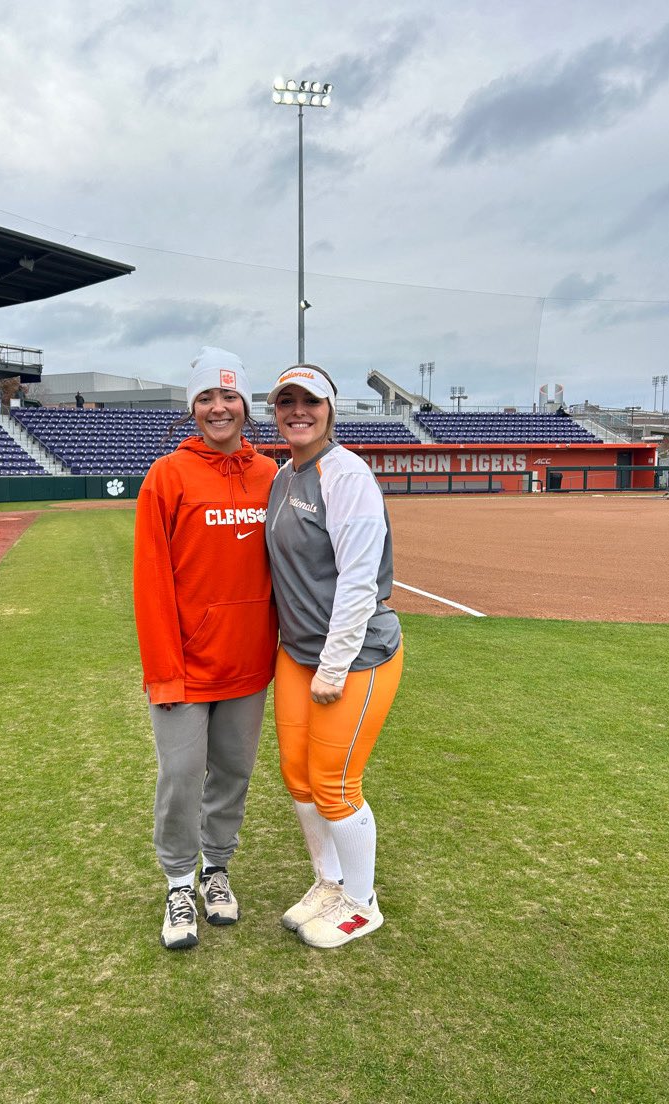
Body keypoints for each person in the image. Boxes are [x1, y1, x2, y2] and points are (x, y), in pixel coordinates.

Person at [133, 347, 278, 950]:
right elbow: (151, 581)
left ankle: (216, 870)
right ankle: (178, 881)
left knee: (234, 774)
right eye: (206, 398)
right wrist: (164, 671)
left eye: (228, 396)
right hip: (185, 667)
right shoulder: (167, 476)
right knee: (182, 775)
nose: (218, 407)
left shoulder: (275, 475)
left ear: (245, 403)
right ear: (192, 406)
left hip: (249, 664)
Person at [265, 364, 403, 948]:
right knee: (297, 776)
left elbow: (358, 582)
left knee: (335, 784)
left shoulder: (346, 475)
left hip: (355, 655)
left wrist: (333, 665)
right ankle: (330, 882)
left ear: (331, 409)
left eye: (310, 401)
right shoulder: (284, 475)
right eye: (286, 401)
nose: (298, 411)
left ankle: (362, 903)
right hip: (297, 653)